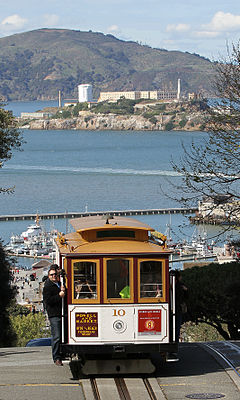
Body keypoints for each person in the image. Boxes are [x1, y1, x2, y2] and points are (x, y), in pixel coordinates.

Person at [43, 265, 66, 366]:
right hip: (54, 314)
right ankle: (56, 357)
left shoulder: (60, 283)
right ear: (48, 276)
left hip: (62, 313)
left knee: (63, 335)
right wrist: (59, 295)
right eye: (52, 275)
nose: (54, 276)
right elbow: (48, 301)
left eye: (55, 274)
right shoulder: (47, 287)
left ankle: (62, 354)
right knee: (56, 336)